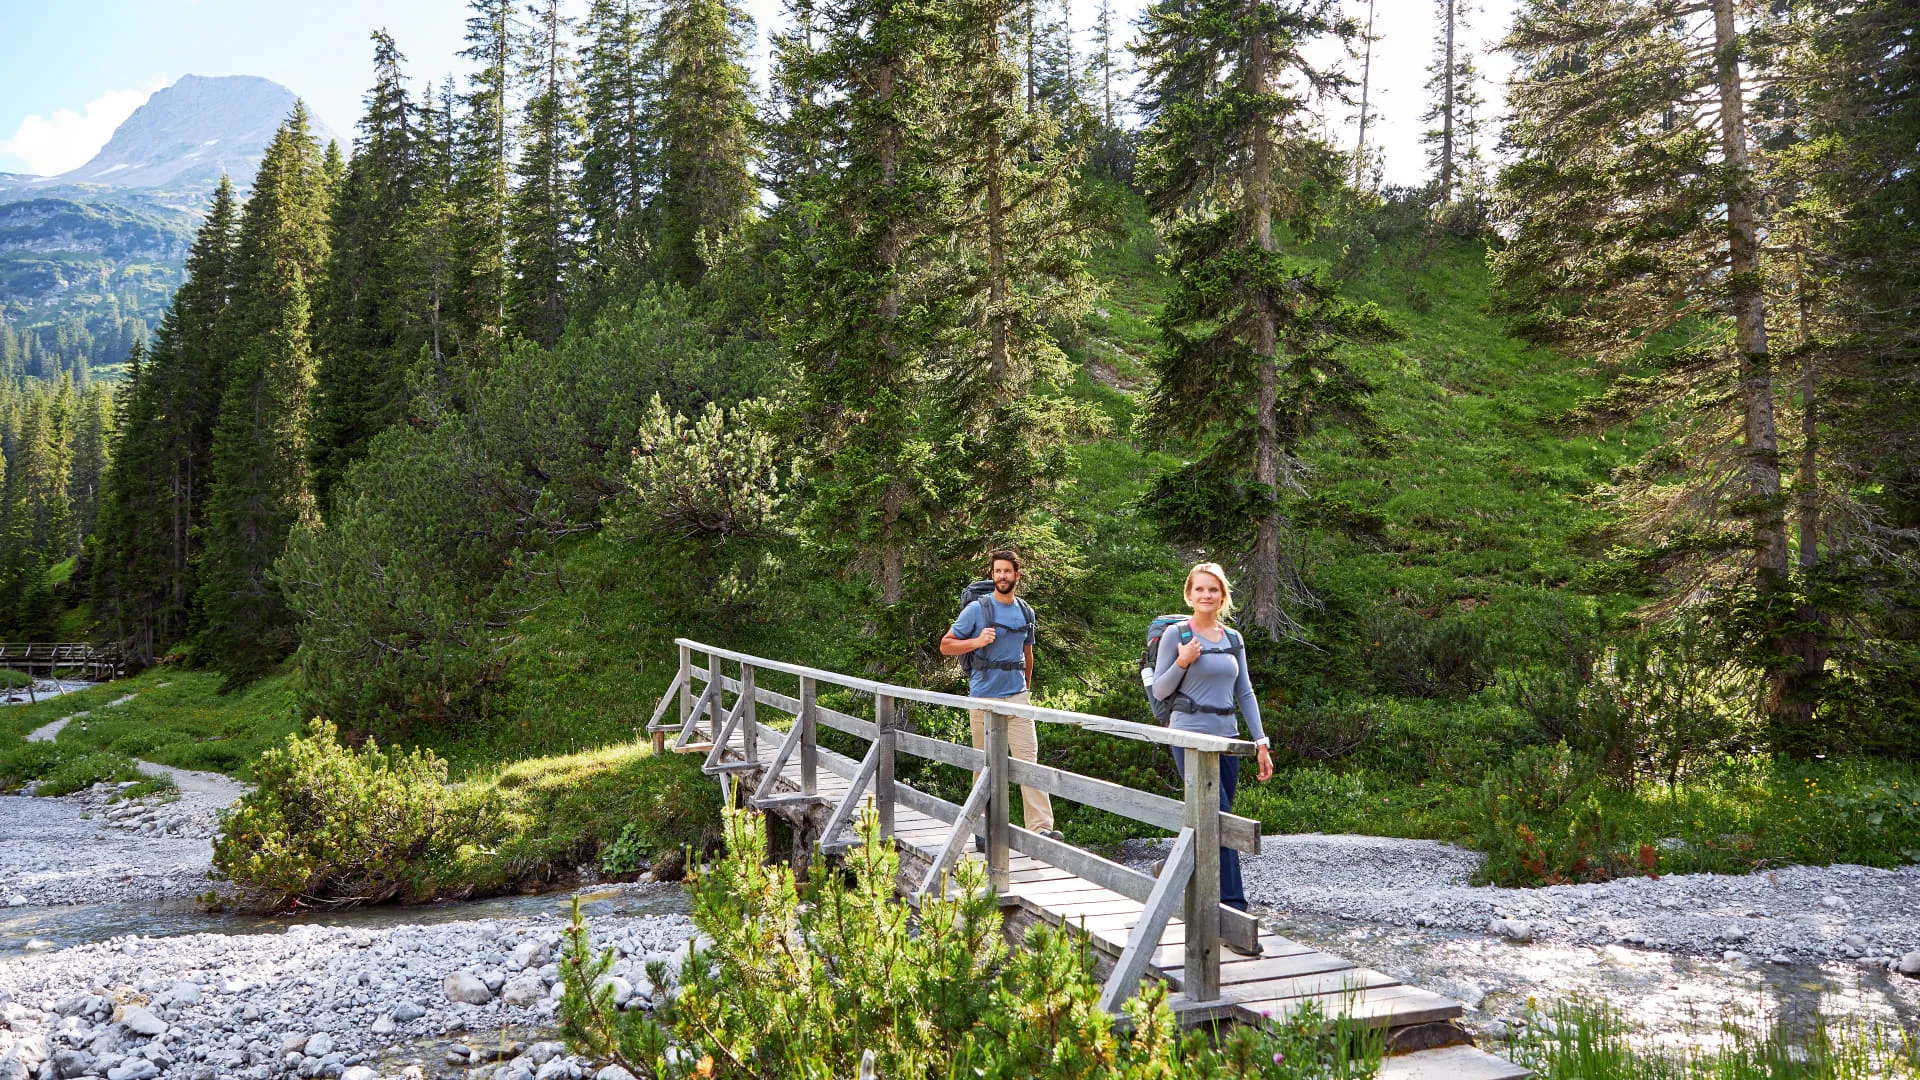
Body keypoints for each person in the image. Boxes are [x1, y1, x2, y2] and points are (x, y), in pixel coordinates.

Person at [1151, 562, 1272, 945]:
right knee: (1220, 821)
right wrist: (1183, 660)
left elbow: (1245, 693)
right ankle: (1233, 914)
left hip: (1228, 739)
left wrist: (1261, 742)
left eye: (1213, 590)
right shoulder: (1177, 634)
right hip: (1190, 738)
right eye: (1200, 589)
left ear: (1223, 596)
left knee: (1208, 825)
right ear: (1189, 594)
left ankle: (1175, 882)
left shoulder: (1233, 638)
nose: (1207, 595)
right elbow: (1159, 691)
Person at [939, 550, 1060, 841]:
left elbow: (1027, 655)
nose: (1002, 576)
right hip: (983, 699)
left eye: (1007, 571)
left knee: (1029, 763)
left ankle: (1041, 830)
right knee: (985, 767)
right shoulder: (978, 610)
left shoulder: (1025, 611)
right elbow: (946, 645)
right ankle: (982, 829)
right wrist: (977, 641)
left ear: (1018, 575)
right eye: (997, 571)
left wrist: (1026, 689)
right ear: (992, 575)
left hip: (1018, 698)